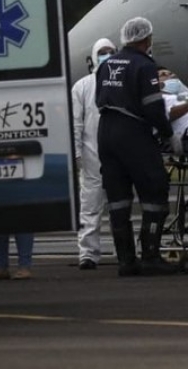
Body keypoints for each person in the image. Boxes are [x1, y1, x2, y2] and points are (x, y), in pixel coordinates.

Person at [96, 17, 179, 276]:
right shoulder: (144, 66)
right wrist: (167, 133)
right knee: (155, 190)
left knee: (118, 199)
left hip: (105, 132)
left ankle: (126, 261)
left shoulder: (106, 65)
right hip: (132, 132)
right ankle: (151, 256)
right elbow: (153, 106)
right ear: (147, 39)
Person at [71, 38, 117, 270]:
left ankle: (124, 250)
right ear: (93, 56)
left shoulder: (120, 82)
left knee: (120, 205)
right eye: (102, 52)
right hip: (91, 157)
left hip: (117, 156)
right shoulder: (82, 87)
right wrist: (77, 153)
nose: (106, 56)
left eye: (110, 52)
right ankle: (88, 253)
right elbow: (76, 123)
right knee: (90, 207)